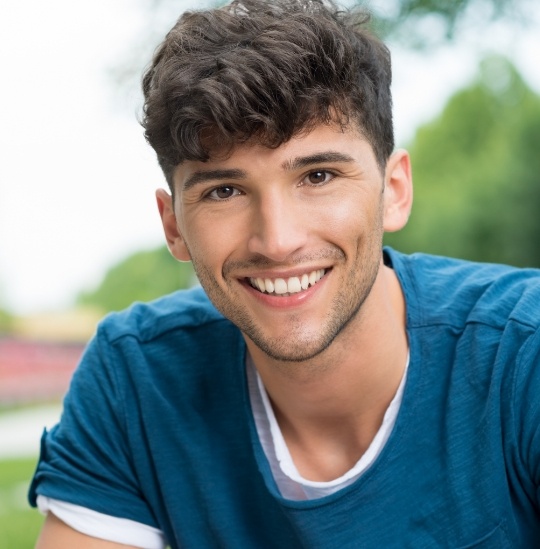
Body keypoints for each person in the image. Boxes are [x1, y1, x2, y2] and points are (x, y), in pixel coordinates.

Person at [29, 0, 540, 547]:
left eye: (318, 176)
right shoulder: (134, 379)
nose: (277, 240)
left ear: (394, 191)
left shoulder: (523, 355)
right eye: (224, 191)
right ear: (173, 225)